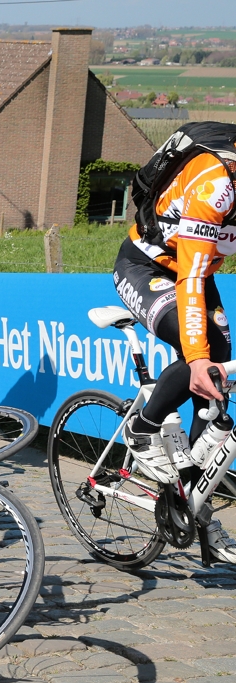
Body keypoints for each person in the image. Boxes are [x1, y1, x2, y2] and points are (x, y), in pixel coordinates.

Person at [114, 145, 236, 563]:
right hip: (149, 267)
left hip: (195, 270)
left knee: (217, 376)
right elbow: (192, 277)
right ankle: (143, 428)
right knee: (199, 351)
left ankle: (191, 501)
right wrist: (198, 358)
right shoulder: (215, 185)